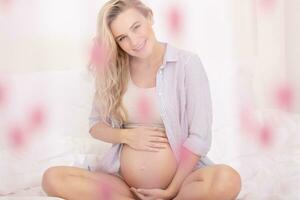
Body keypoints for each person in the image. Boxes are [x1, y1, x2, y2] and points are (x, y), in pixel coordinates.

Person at [42, 0, 241, 199]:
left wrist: (170, 191)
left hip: (181, 184)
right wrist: (127, 137)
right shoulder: (114, 71)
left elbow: (199, 138)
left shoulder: (187, 64)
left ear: (149, 16)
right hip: (125, 186)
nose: (134, 42)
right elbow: (96, 126)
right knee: (52, 178)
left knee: (229, 180)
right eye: (122, 38)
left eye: (136, 27)